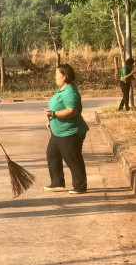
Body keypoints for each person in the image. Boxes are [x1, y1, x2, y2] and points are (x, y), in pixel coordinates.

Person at [44, 63, 89, 194]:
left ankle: (80, 186)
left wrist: (53, 114)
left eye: (57, 75)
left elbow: (72, 111)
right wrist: (50, 120)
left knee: (72, 158)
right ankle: (57, 182)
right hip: (57, 132)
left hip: (70, 132)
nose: (55, 77)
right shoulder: (61, 90)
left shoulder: (71, 92)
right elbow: (57, 106)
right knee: (52, 155)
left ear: (65, 76)